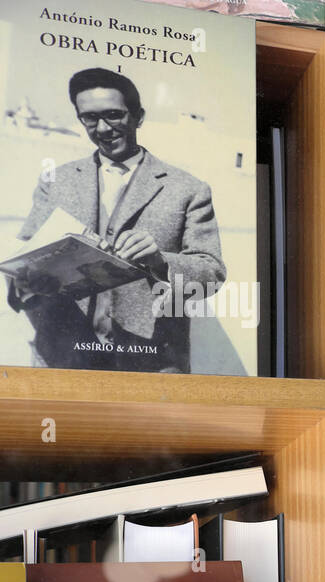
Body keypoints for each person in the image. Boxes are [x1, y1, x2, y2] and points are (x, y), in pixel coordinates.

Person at [6, 68, 226, 373]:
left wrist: (161, 261)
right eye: (90, 118)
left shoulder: (189, 189)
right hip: (61, 357)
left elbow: (211, 274)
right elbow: (26, 256)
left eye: (114, 115)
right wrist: (26, 284)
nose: (103, 128)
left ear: (138, 116)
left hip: (151, 363)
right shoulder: (55, 181)